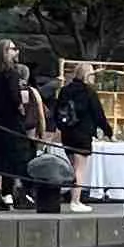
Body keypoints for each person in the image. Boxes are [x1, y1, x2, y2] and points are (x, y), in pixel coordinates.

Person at [0, 39, 38, 203]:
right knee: (20, 156)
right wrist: (21, 107)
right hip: (11, 121)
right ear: (5, 52)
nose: (17, 52)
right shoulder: (12, 73)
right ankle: (20, 193)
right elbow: (15, 97)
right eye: (13, 49)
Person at [50, 64, 112, 204]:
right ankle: (75, 200)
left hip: (67, 134)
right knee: (80, 169)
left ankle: (74, 197)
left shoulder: (65, 90)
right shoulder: (88, 92)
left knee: (73, 167)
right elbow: (98, 115)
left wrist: (61, 127)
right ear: (87, 75)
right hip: (82, 134)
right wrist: (109, 132)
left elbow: (57, 111)